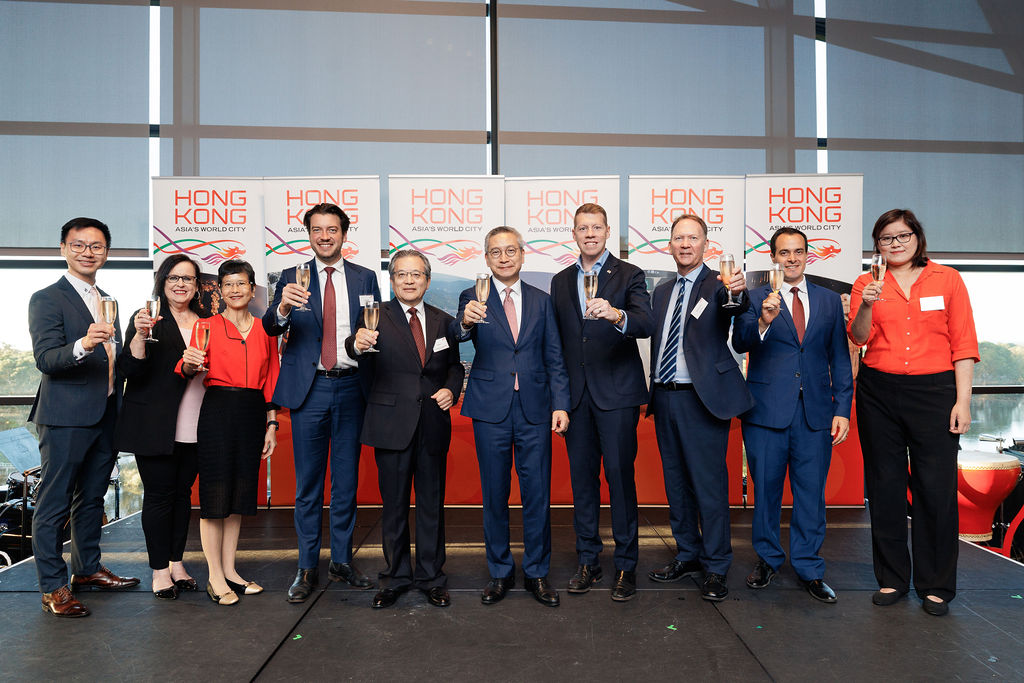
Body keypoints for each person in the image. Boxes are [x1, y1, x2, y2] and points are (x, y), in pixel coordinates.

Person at [848, 209, 978, 617]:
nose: (896, 244)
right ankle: (891, 578)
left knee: (935, 490)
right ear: (877, 245)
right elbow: (857, 336)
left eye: (903, 236)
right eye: (887, 238)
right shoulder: (866, 282)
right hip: (878, 392)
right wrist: (867, 304)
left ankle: (936, 584)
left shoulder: (948, 279)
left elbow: (964, 343)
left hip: (935, 392)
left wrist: (963, 401)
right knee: (884, 488)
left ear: (918, 238)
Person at [262, 202, 381, 603]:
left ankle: (342, 560)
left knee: (345, 483)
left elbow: (375, 327)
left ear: (344, 235)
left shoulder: (365, 277)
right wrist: (281, 306)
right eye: (317, 230)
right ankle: (307, 566)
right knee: (308, 486)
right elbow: (271, 326)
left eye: (332, 229)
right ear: (309, 235)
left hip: (351, 387)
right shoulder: (292, 278)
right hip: (309, 389)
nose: (325, 236)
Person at [732, 228, 853, 603]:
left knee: (811, 496)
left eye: (798, 252)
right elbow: (740, 342)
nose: (792, 258)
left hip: (815, 414)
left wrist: (843, 409)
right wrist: (764, 321)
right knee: (766, 492)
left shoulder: (830, 302)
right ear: (773, 257)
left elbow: (840, 358)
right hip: (766, 412)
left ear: (807, 255)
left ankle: (809, 567)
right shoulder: (754, 298)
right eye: (784, 252)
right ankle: (767, 560)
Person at [28, 217, 140, 617]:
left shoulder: (107, 298)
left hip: (106, 413)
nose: (88, 252)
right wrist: (83, 343)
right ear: (63, 249)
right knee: (54, 502)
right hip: (65, 416)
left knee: (91, 499)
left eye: (96, 246)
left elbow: (117, 362)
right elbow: (46, 359)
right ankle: (53, 587)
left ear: (107, 253)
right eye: (79, 245)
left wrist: (139, 338)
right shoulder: (47, 298)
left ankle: (87, 571)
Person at [455, 226, 571, 607]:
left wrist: (560, 404)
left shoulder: (542, 300)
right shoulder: (473, 297)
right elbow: (459, 334)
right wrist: (467, 322)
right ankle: (500, 572)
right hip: (490, 409)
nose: (503, 258)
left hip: (536, 409)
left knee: (538, 494)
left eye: (510, 251)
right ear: (486, 258)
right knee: (494, 495)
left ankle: (537, 572)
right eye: (495, 252)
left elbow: (554, 355)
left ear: (522, 255)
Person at [346, 250, 464, 609]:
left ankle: (431, 577)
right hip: (390, 424)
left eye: (416, 274)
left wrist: (450, 389)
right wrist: (357, 344)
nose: (409, 280)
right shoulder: (374, 315)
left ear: (427, 280)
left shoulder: (445, 321)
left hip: (432, 423)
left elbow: (455, 367)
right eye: (401, 274)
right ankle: (395, 576)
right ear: (392, 280)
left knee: (432, 506)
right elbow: (355, 348)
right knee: (394, 507)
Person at [550, 203, 654, 601]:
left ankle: (626, 566)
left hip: (617, 397)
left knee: (620, 480)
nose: (589, 233)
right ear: (573, 234)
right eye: (582, 228)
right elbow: (557, 345)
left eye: (596, 227)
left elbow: (645, 324)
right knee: (582, 483)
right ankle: (588, 560)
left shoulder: (629, 274)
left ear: (608, 232)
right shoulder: (560, 281)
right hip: (576, 400)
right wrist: (559, 399)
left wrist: (616, 314)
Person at [646, 214, 753, 602]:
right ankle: (688, 553)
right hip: (664, 395)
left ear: (706, 244)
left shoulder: (720, 283)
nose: (685, 244)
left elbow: (734, 309)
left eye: (693, 237)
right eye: (679, 238)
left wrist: (737, 293)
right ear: (670, 245)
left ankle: (717, 565)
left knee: (709, 487)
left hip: (702, 398)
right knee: (676, 484)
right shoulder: (661, 291)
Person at [178, 259, 279, 606]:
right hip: (218, 409)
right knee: (215, 498)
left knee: (238, 498)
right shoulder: (206, 326)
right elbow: (188, 366)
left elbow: (272, 381)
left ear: (252, 289)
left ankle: (231, 571)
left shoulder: (267, 330)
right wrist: (189, 362)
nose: (235, 290)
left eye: (242, 284)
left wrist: (271, 425)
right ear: (220, 290)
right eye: (229, 284)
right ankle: (214, 577)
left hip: (252, 413)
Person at [115, 254, 207, 600]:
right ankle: (158, 570)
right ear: (163, 282)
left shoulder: (206, 322)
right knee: (159, 496)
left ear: (198, 285)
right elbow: (130, 370)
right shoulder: (148, 320)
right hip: (155, 423)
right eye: (174, 278)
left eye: (188, 278)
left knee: (183, 496)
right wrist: (139, 336)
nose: (181, 284)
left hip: (197, 421)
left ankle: (176, 562)